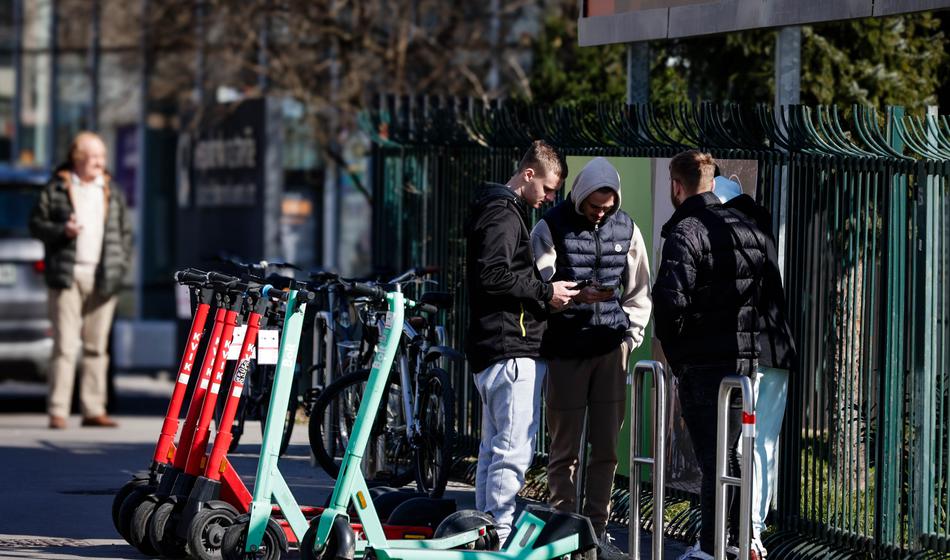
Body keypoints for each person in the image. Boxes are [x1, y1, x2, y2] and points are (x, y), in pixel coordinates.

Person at [530, 157, 652, 559]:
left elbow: (639, 290)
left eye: (607, 207)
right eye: (594, 206)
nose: (600, 213)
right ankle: (562, 529)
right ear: (580, 195)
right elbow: (541, 285)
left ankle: (596, 533)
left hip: (608, 348)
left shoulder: (627, 229)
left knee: (606, 449)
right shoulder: (550, 227)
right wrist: (573, 297)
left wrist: (630, 338)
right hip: (566, 348)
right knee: (564, 449)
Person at [652, 150, 769, 560]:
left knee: (713, 461)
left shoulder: (687, 230)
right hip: (741, 362)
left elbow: (669, 302)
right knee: (730, 454)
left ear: (677, 186)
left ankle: (711, 548)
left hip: (702, 363)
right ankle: (733, 542)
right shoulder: (747, 225)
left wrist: (679, 355)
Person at [465, 139, 578, 544]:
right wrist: (546, 293)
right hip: (510, 346)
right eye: (546, 188)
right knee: (512, 450)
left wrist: (544, 292)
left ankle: (483, 528)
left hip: (499, 346)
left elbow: (495, 275)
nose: (549, 198)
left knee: (495, 448)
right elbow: (493, 275)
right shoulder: (503, 215)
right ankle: (497, 529)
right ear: (528, 174)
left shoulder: (500, 211)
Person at [714, 175, 798, 559]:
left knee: (746, 445)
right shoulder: (760, 225)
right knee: (762, 445)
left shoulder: (731, 229)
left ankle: (747, 533)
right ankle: (752, 533)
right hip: (775, 350)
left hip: (754, 352)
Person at [30, 131, 132, 429]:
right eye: (94, 157)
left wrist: (121, 264)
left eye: (102, 156)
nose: (100, 163)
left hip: (103, 275)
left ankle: (93, 409)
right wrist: (63, 230)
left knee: (97, 347)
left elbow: (125, 233)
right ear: (78, 158)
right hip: (67, 275)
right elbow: (36, 224)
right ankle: (58, 410)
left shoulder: (110, 189)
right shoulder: (58, 187)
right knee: (64, 345)